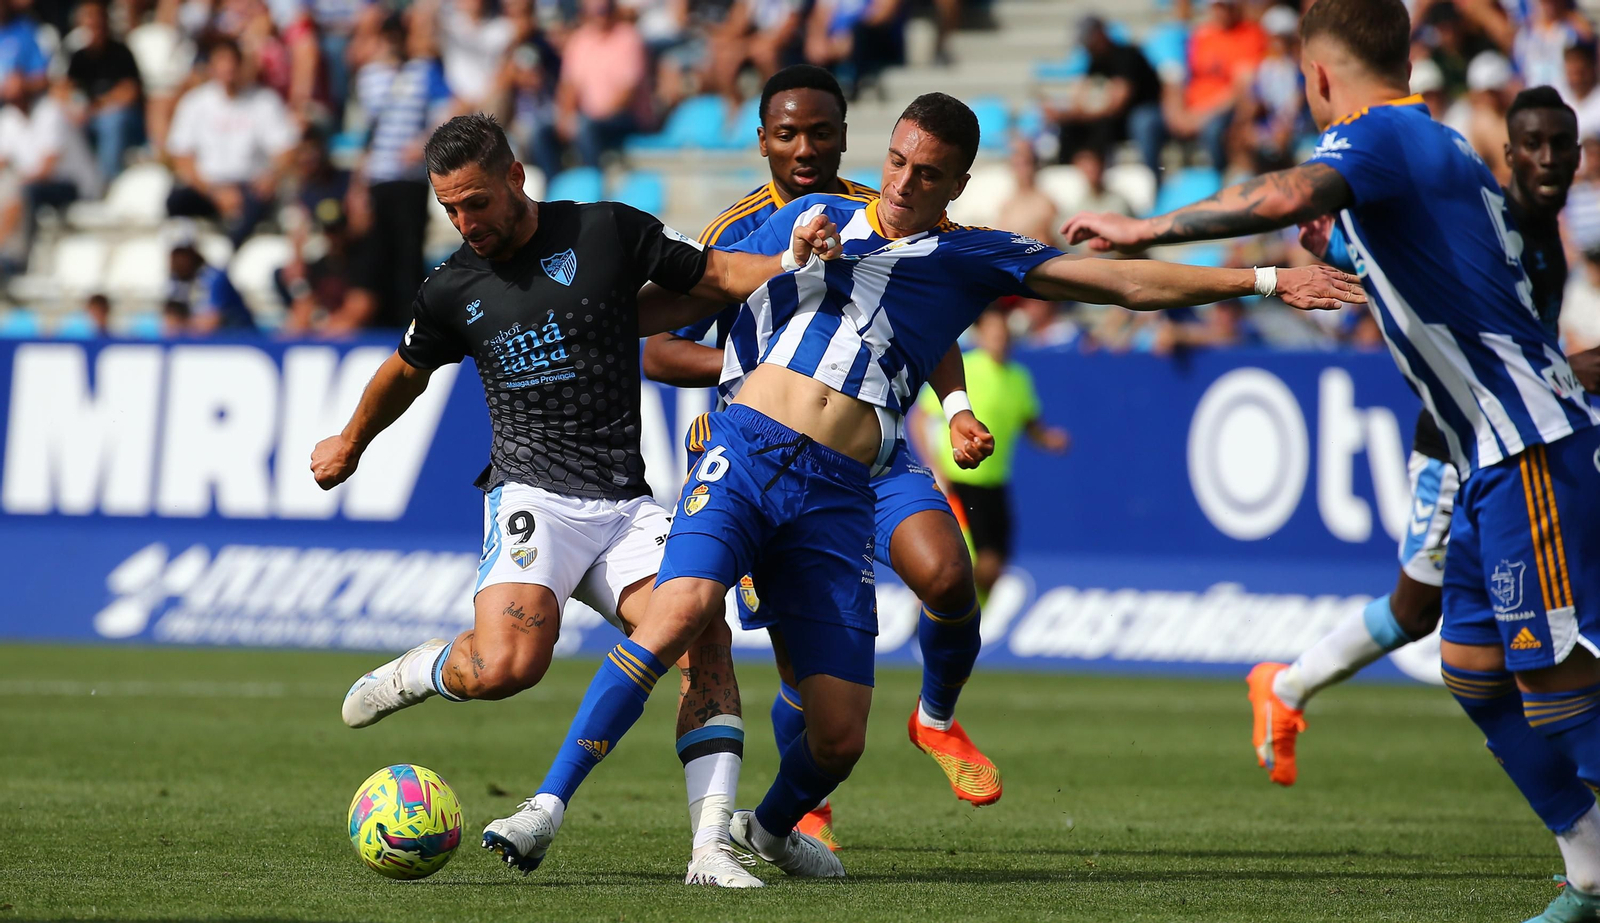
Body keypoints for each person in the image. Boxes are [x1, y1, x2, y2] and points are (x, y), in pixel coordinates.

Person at [482, 92, 1362, 881]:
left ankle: (771, 827)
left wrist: (1264, 278)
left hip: (840, 489)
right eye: (898, 161)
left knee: (839, 736)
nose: (903, 183)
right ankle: (545, 806)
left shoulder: (972, 256)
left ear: (958, 184)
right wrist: (563, 321)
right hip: (746, 451)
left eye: (927, 173)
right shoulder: (814, 218)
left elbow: (1122, 281)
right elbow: (675, 302)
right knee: (679, 612)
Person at [1062, 2, 1600, 916]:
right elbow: (1437, 273)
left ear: (1316, 76)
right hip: (1485, 459)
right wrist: (1344, 245)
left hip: (1528, 446)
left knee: (1550, 680)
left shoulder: (1381, 135)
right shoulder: (1437, 149)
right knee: (1472, 666)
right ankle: (1588, 865)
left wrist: (1146, 228)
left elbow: (1282, 196)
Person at [313, 113, 844, 890]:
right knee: (507, 666)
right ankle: (425, 669)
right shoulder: (452, 286)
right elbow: (405, 370)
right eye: (450, 208)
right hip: (532, 494)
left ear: (515, 177)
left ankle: (709, 849)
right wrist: (351, 440)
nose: (465, 221)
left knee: (703, 631)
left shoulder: (606, 231)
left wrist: (791, 262)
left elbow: (714, 274)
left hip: (624, 503)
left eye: (476, 202)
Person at [641, 64, 1002, 853]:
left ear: (845, 136)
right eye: (788, 133)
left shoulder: (881, 209)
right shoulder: (738, 230)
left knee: (949, 574)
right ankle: (805, 808)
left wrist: (958, 407)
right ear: (762, 140)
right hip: (767, 456)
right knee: (805, 672)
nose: (805, 148)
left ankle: (936, 718)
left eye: (821, 133)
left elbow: (927, 319)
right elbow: (659, 348)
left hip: (871, 454)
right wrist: (765, 371)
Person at [1244, 87, 1600, 785]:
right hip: (1460, 447)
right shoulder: (1495, 225)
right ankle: (1284, 687)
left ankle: (1571, 821)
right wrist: (1341, 246)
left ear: (1580, 155)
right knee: (1418, 610)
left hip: (1518, 443)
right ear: (1508, 155)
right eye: (1533, 144)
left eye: (1562, 145)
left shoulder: (1545, 239)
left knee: (1479, 635)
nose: (1548, 158)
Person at [912, 307, 1068, 601]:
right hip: (957, 481)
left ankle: (963, 619)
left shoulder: (1019, 378)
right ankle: (930, 614)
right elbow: (921, 417)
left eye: (1004, 332)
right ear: (981, 334)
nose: (1000, 338)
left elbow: (1030, 423)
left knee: (992, 568)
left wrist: (1048, 440)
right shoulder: (962, 369)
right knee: (954, 562)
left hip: (994, 484)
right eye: (994, 331)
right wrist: (933, 466)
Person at [353, 13, 455, 327]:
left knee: (408, 253)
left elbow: (448, 108)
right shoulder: (368, 76)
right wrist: (358, 183)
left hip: (410, 177)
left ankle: (410, 323)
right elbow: (365, 133)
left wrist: (423, 142)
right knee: (379, 253)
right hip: (379, 176)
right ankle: (384, 322)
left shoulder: (423, 71)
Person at [164, 37, 298, 247]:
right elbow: (181, 156)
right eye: (221, 61)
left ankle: (229, 253)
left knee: (259, 201)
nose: (228, 68)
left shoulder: (264, 101)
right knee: (176, 200)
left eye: (232, 61)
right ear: (211, 66)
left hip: (249, 185)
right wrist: (213, 192)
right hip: (207, 187)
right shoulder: (195, 103)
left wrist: (270, 175)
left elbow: (286, 149)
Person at [1046, 16, 1165, 180]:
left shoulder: (1127, 56)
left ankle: (1152, 178)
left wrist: (1075, 114)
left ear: (1100, 34)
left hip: (1138, 116)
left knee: (1130, 124)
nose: (1086, 47)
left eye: (1089, 40)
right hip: (1112, 120)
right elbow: (1084, 99)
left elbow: (1116, 105)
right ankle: (1071, 176)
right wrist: (1068, 114)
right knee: (1070, 127)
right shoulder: (1094, 63)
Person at [0, 74, 100, 257]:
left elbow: (47, 168)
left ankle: (18, 255)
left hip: (73, 184)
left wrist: (15, 183)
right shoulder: (9, 118)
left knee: (22, 193)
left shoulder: (50, 112)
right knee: (13, 190)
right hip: (37, 184)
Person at [556, 0, 647, 166]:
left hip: (625, 118)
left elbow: (627, 93)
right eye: (596, 11)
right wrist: (566, 118)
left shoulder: (629, 38)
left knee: (586, 128)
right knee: (541, 132)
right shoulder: (579, 40)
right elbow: (569, 86)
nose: (601, 15)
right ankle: (554, 179)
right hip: (589, 119)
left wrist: (592, 118)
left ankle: (593, 178)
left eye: (604, 10)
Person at [66, 0, 144, 184]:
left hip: (125, 118)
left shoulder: (121, 52)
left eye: (96, 17)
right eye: (88, 18)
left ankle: (107, 182)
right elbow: (67, 88)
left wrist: (98, 106)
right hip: (90, 117)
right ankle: (75, 182)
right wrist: (77, 107)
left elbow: (130, 92)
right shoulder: (79, 58)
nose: (93, 23)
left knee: (111, 121)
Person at [163, 220, 256, 333]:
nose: (177, 261)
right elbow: (170, 323)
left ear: (193, 253)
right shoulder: (177, 281)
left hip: (237, 337)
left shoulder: (214, 277)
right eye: (174, 255)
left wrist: (182, 325)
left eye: (182, 255)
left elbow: (210, 323)